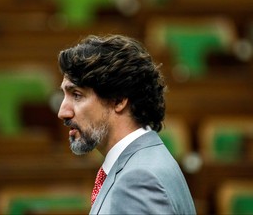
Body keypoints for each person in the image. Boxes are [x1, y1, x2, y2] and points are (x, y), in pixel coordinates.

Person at [57, 34, 196, 214]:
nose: (63, 112)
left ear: (118, 100)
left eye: (77, 95)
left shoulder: (138, 180)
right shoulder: (145, 162)